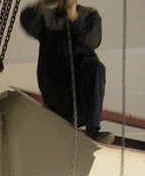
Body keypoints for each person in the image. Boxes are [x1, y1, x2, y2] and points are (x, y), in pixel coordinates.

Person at [20, 0, 114, 144]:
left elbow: (92, 41)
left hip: (81, 93)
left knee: (96, 67)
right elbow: (29, 24)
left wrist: (73, 17)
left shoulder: (89, 14)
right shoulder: (47, 16)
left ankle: (93, 131)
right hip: (56, 91)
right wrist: (42, 5)